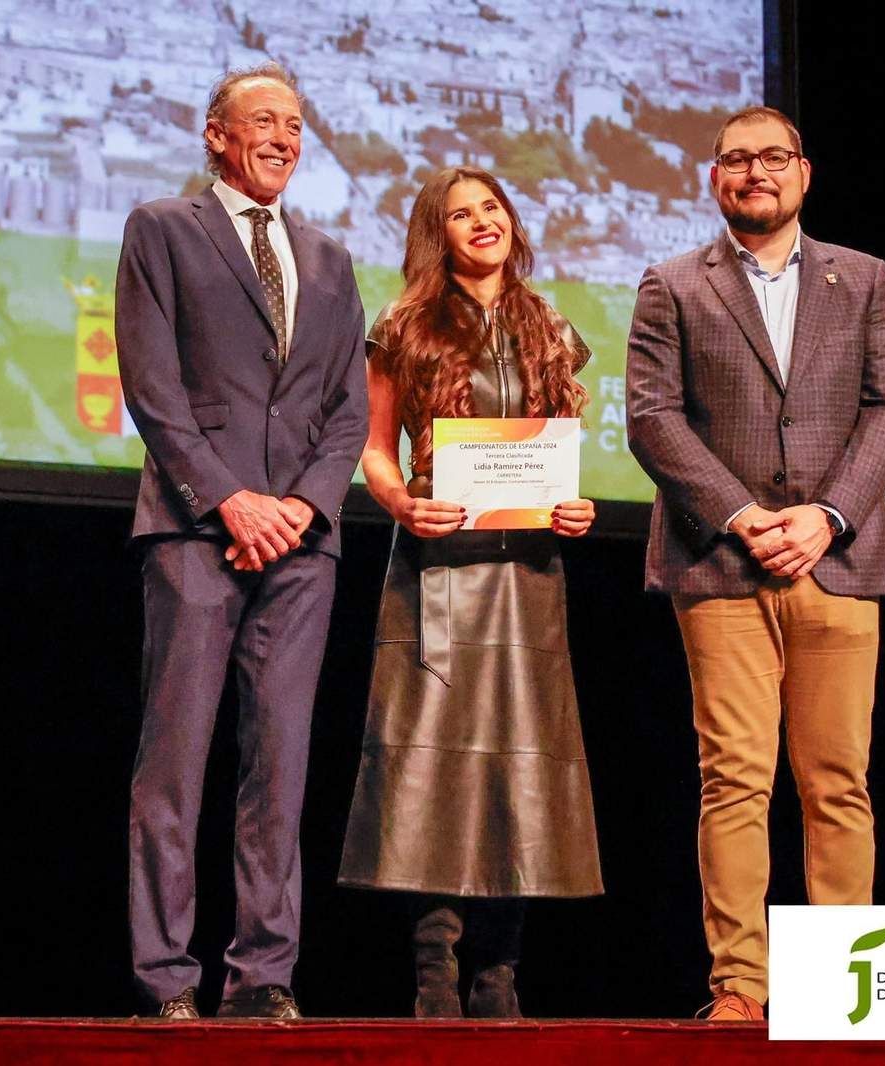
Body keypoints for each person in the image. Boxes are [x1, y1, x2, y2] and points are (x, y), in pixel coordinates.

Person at [625, 105, 885, 1022]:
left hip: (839, 559)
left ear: (804, 172)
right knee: (735, 780)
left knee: (838, 782)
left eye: (774, 157)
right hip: (722, 567)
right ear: (714, 178)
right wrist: (747, 516)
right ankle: (740, 988)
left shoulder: (863, 278)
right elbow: (651, 417)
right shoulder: (671, 283)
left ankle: (840, 988)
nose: (757, 171)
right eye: (737, 159)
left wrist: (827, 516)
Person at [115, 63, 368, 1020]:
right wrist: (232, 502)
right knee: (173, 765)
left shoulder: (332, 258)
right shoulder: (164, 229)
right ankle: (166, 981)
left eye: (296, 125)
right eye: (263, 121)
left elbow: (347, 413)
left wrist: (301, 507)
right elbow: (153, 389)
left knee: (282, 767)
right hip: (193, 530)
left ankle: (263, 978)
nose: (283, 138)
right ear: (216, 134)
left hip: (302, 549)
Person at [337, 166, 604, 1019]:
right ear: (437, 233)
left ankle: (499, 978)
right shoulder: (405, 324)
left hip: (528, 577)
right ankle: (435, 976)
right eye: (461, 214)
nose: (481, 222)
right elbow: (374, 449)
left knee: (515, 773)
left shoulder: (551, 327)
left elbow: (558, 455)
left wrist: (574, 507)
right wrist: (400, 502)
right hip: (438, 575)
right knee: (437, 776)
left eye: (491, 207)